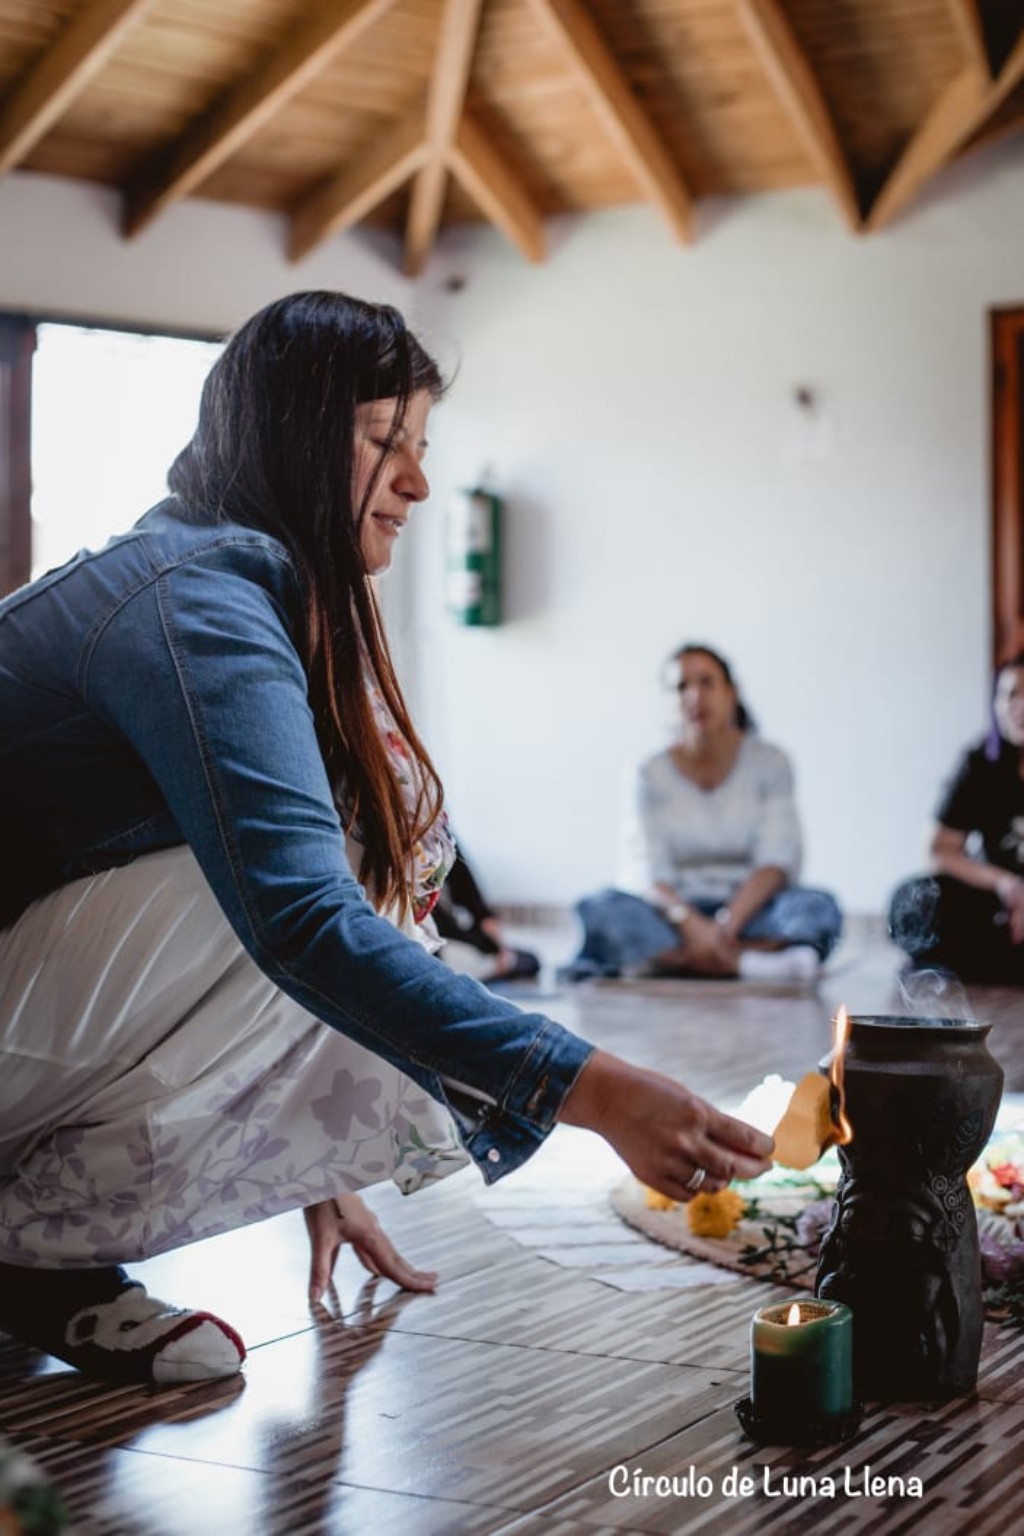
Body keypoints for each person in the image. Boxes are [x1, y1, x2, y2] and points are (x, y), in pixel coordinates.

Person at [0, 293, 772, 1387]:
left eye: (419, 447)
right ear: (295, 437)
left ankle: (37, 1249)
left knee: (362, 846)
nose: (415, 482)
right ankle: (31, 1250)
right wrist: (590, 1088)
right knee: (354, 855)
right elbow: (300, 920)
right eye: (382, 441)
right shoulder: (197, 598)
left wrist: (310, 1158)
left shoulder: (234, 582)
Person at [565, 643, 842, 982]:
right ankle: (749, 964)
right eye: (681, 687)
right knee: (599, 908)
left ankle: (667, 962)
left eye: (706, 682)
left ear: (732, 692)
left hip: (750, 912)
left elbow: (776, 860)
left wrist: (726, 924)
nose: (694, 696)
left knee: (816, 908)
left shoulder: (771, 762)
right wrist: (692, 925)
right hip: (674, 915)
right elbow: (648, 870)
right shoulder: (647, 772)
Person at [889, 652, 1024, 984]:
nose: (1019, 705)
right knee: (913, 902)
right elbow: (938, 850)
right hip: (1001, 904)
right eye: (1010, 694)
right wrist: (1007, 885)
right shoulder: (980, 765)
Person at [432, 843, 541, 985]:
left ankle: (491, 965)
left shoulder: (444, 839)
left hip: (456, 942)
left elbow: (477, 905)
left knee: (529, 960)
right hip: (437, 947)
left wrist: (502, 949)